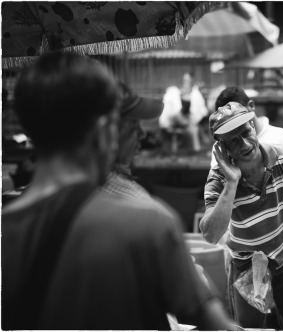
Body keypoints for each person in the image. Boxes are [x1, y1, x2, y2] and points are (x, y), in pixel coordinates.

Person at [2, 52, 235, 330]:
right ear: (103, 131)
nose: (139, 136)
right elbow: (216, 326)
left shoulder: (7, 229)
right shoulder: (147, 223)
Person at [200, 101, 283, 330]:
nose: (245, 144)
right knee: (251, 329)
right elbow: (209, 234)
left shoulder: (281, 156)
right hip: (246, 267)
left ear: (253, 127)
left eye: (246, 132)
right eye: (234, 141)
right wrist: (232, 183)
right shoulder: (219, 179)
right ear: (222, 149)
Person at [210, 86, 283, 169]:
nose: (235, 124)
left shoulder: (282, 136)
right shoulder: (222, 147)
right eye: (228, 123)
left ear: (251, 106)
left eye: (238, 116)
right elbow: (217, 180)